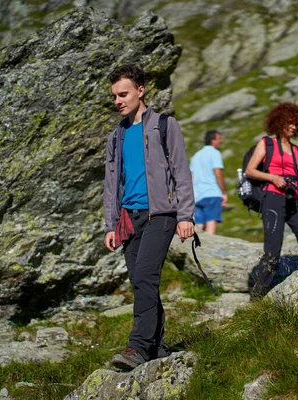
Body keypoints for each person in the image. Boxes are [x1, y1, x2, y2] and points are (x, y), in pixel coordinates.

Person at [103, 64, 195, 370]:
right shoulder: (116, 135)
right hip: (129, 219)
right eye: (114, 95)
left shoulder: (165, 125)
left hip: (162, 215)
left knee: (144, 276)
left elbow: (181, 172)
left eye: (123, 94)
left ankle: (137, 347)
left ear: (141, 91)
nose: (118, 100)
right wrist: (111, 224)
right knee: (141, 282)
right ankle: (157, 346)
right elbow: (111, 182)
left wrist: (186, 216)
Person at [245, 102, 298, 298]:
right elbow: (250, 170)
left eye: (296, 124)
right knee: (273, 251)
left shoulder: (295, 150)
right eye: (289, 123)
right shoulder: (266, 143)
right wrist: (273, 177)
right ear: (279, 122)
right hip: (272, 198)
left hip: (295, 198)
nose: (293, 127)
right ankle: (258, 295)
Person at [189, 130, 227, 234]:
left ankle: (193, 248)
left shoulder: (195, 156)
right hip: (211, 193)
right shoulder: (214, 153)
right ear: (213, 140)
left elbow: (191, 177)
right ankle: (208, 249)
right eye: (219, 138)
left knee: (199, 225)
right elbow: (217, 172)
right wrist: (224, 192)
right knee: (211, 223)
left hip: (197, 195)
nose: (221, 141)